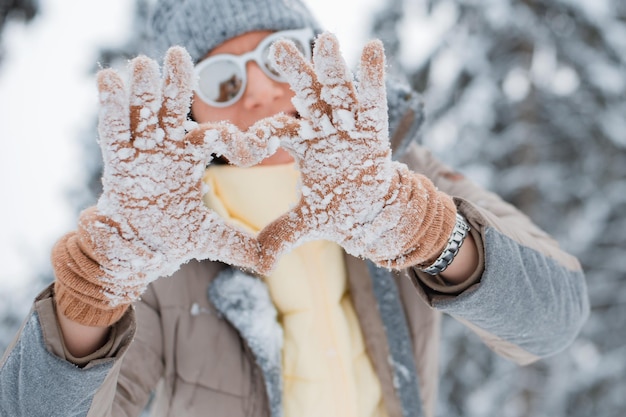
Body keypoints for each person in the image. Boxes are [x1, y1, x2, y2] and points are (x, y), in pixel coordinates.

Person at [0, 0, 589, 416]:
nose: (257, 90)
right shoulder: (159, 245)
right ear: (188, 109)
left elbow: (554, 320)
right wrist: (94, 293)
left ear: (315, 66)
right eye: (221, 79)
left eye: (279, 59)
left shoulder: (402, 181)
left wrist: (430, 235)